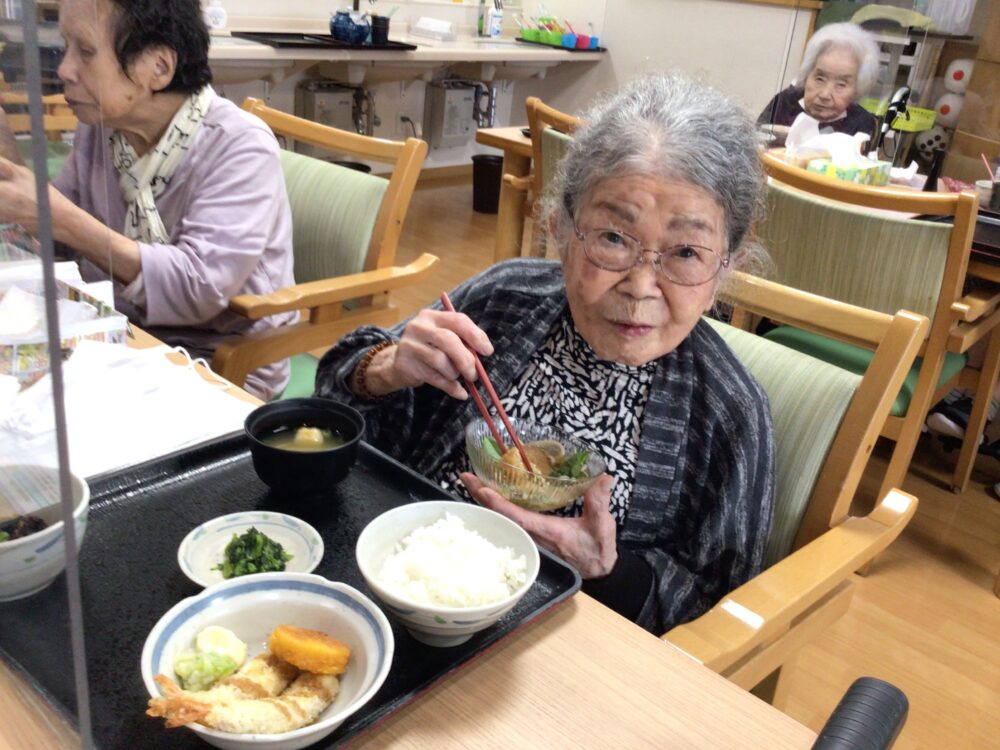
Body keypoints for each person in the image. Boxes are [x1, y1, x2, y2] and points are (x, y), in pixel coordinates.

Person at [315, 74, 776, 636]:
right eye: (613, 238)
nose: (640, 285)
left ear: (729, 266)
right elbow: (334, 396)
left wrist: (605, 572)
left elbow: (722, 614)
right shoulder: (503, 299)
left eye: (685, 252)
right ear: (559, 230)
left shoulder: (729, 412)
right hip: (385, 590)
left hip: (566, 664)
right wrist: (384, 371)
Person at [0, 0, 295, 400]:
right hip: (119, 335)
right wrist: (10, 165)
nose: (65, 70)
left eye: (85, 52)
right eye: (66, 47)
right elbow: (58, 242)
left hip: (219, 360)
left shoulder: (240, 147)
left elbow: (197, 290)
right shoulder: (103, 127)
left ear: (158, 67)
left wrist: (60, 216)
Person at [758, 22, 879, 138]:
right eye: (820, 79)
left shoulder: (861, 123)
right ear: (807, 74)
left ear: (856, 90)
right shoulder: (784, 102)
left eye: (841, 84)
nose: (825, 95)